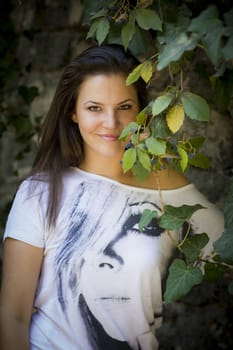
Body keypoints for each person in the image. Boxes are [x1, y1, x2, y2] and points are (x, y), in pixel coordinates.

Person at [0, 44, 224, 350]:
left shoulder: (164, 190)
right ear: (73, 112)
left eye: (124, 107)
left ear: (142, 113)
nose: (111, 123)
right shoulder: (40, 193)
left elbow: (223, 244)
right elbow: (13, 316)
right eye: (94, 108)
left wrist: (159, 160)